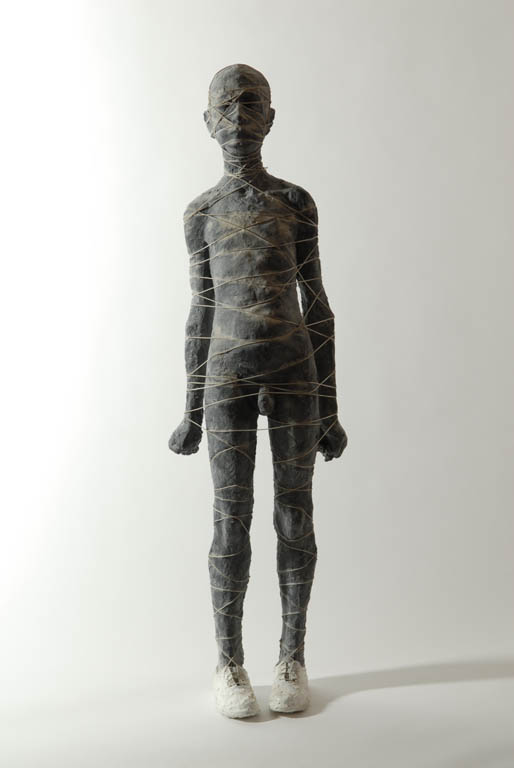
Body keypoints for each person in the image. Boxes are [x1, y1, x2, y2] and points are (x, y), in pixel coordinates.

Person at [169, 63, 347, 717]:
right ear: (207, 122)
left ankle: (291, 658)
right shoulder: (201, 213)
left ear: (271, 118)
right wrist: (191, 410)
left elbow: (317, 304)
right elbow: (201, 310)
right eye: (226, 107)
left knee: (295, 514)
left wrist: (330, 407)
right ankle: (229, 663)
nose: (238, 118)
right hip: (226, 378)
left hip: (295, 372)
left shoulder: (296, 203)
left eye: (251, 105)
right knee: (230, 519)